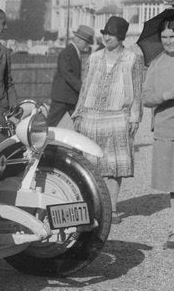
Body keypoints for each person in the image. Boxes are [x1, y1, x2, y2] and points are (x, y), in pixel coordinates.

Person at [73, 16, 143, 221]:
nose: (106, 38)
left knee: (114, 166)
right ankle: (93, 207)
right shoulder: (94, 58)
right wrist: (78, 112)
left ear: (121, 37)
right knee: (90, 164)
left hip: (118, 117)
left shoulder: (132, 59)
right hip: (91, 116)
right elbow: (85, 87)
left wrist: (135, 117)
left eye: (111, 34)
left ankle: (111, 209)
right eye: (105, 34)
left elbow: (137, 90)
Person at [141, 20, 174, 248]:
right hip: (166, 131)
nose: (168, 42)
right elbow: (145, 98)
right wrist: (165, 95)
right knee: (172, 184)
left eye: (172, 37)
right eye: (165, 38)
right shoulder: (156, 63)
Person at [46, 24, 95, 127]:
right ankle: (44, 138)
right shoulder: (66, 53)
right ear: (78, 40)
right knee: (51, 125)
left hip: (69, 97)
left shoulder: (74, 53)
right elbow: (68, 75)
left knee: (79, 124)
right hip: (62, 98)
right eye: (86, 43)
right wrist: (83, 88)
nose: (87, 46)